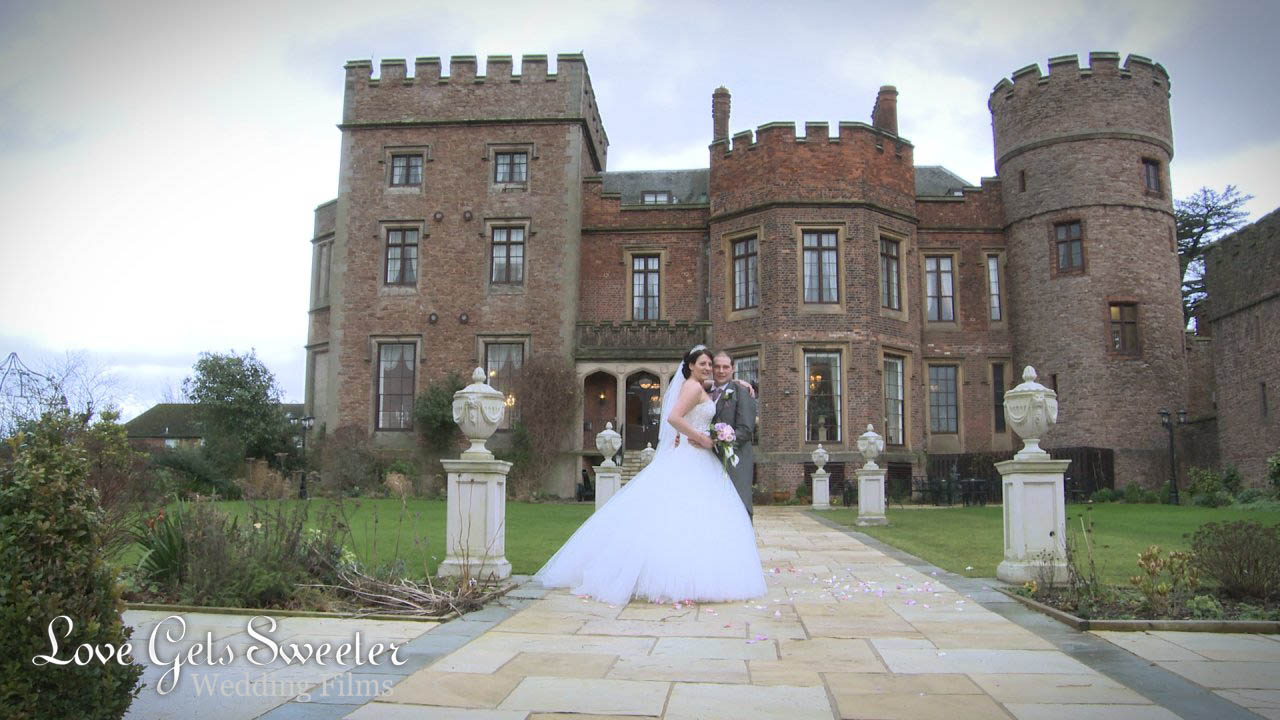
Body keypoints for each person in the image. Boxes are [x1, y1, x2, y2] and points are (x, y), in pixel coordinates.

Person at [533, 345, 766, 605]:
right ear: (690, 366)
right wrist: (700, 436)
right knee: (679, 516)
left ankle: (691, 572)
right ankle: (674, 576)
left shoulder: (702, 386)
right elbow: (673, 417)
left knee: (694, 516)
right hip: (693, 454)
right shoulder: (692, 386)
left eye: (711, 365)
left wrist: (738, 381)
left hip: (701, 458)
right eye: (703, 364)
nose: (709, 369)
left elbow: (716, 390)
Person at [710, 352, 756, 521]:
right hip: (708, 460)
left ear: (733, 368)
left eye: (725, 367)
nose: (721, 371)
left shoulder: (742, 391)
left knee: (739, 505)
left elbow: (745, 429)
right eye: (717, 367)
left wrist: (722, 440)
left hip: (736, 459)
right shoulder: (704, 390)